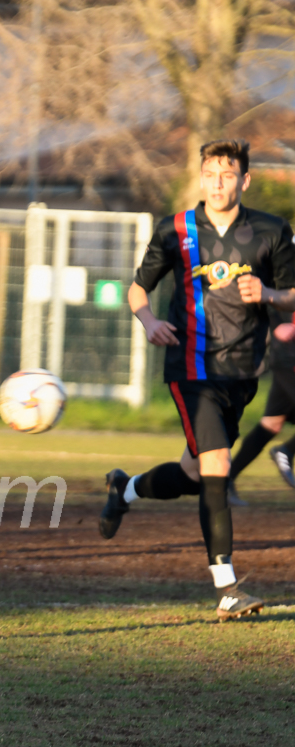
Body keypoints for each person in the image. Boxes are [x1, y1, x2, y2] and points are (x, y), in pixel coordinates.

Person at [101, 139, 295, 622]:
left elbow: (292, 294)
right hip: (191, 367)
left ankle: (125, 489)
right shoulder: (176, 230)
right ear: (201, 177)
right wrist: (148, 321)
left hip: (243, 371)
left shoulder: (272, 230)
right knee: (217, 466)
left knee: (194, 473)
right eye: (210, 174)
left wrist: (268, 294)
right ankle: (227, 589)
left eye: (227, 175)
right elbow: (138, 289)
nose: (217, 183)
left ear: (244, 180)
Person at [225, 311, 295, 503]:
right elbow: (265, 299)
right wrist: (276, 325)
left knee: (272, 423)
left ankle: (226, 480)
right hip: (289, 356)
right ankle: (287, 450)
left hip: (286, 357)